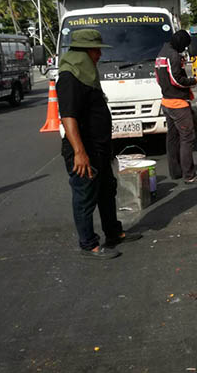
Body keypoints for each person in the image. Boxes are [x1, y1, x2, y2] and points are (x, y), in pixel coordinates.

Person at [57, 29, 142, 259]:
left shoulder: (86, 74)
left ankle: (113, 232)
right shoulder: (69, 76)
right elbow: (68, 116)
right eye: (96, 50)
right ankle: (89, 244)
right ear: (84, 51)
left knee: (107, 191)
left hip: (100, 146)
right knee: (85, 196)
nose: (99, 56)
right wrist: (79, 152)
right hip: (84, 149)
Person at [155, 29, 197, 183]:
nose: (184, 49)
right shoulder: (173, 55)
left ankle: (176, 172)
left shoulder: (161, 53)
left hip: (166, 101)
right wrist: (195, 80)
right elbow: (177, 80)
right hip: (177, 104)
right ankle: (190, 176)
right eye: (184, 46)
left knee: (172, 138)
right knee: (187, 138)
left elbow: (158, 78)